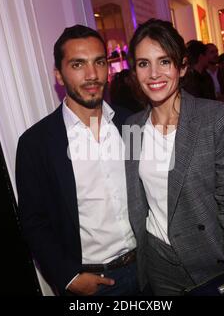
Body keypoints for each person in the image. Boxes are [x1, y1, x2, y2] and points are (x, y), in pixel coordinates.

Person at [124, 19, 224, 296]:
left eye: (164, 61)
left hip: (211, 263)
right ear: (134, 72)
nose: (154, 73)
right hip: (159, 268)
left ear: (182, 66)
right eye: (143, 63)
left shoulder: (217, 118)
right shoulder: (133, 128)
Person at [16, 25, 138, 296]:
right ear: (58, 75)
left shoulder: (131, 122)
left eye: (99, 62)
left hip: (148, 269)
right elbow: (33, 220)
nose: (92, 75)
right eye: (78, 64)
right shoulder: (36, 143)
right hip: (92, 284)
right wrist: (68, 277)